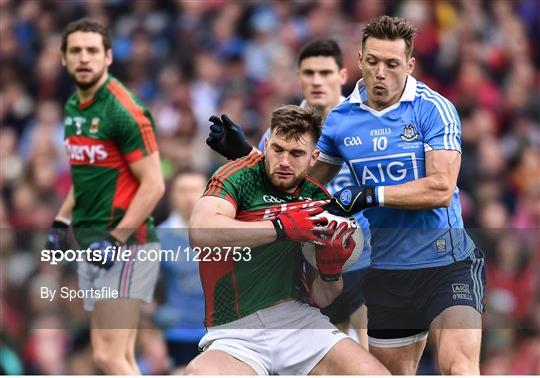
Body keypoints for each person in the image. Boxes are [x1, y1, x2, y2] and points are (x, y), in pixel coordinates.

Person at [312, 16, 487, 375]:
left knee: (459, 369)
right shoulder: (340, 120)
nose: (381, 72)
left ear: (409, 65)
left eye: (392, 64)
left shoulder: (433, 109)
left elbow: (441, 187)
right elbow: (304, 185)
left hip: (446, 265)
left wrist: (370, 194)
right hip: (388, 272)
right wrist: (247, 158)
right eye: (373, 61)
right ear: (358, 59)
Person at [186, 105, 388, 375]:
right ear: (266, 145)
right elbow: (200, 232)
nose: (284, 161)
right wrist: (282, 228)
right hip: (234, 332)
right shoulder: (238, 175)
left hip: (298, 321)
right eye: (278, 149)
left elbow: (323, 297)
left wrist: (329, 271)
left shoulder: (318, 199)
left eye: (296, 154)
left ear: (313, 157)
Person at [207, 38, 371, 349]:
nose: (317, 81)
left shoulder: (361, 126)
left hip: (362, 261)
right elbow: (277, 188)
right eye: (309, 73)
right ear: (299, 77)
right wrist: (245, 154)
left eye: (325, 72)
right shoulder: (280, 131)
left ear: (343, 75)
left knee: (372, 361)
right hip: (305, 266)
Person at [45, 18, 164, 374]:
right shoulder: (72, 109)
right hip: (92, 243)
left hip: (127, 246)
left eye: (92, 50)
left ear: (108, 56)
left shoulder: (123, 110)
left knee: (109, 357)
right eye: (76, 51)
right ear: (63, 58)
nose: (84, 58)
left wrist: (116, 239)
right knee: (114, 356)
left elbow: (154, 185)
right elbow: (85, 178)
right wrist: (61, 220)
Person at [154, 170, 207, 371]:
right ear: (172, 196)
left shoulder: (225, 233)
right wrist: (153, 332)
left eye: (195, 190)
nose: (189, 197)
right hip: (177, 333)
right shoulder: (158, 238)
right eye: (182, 190)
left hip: (218, 332)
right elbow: (142, 291)